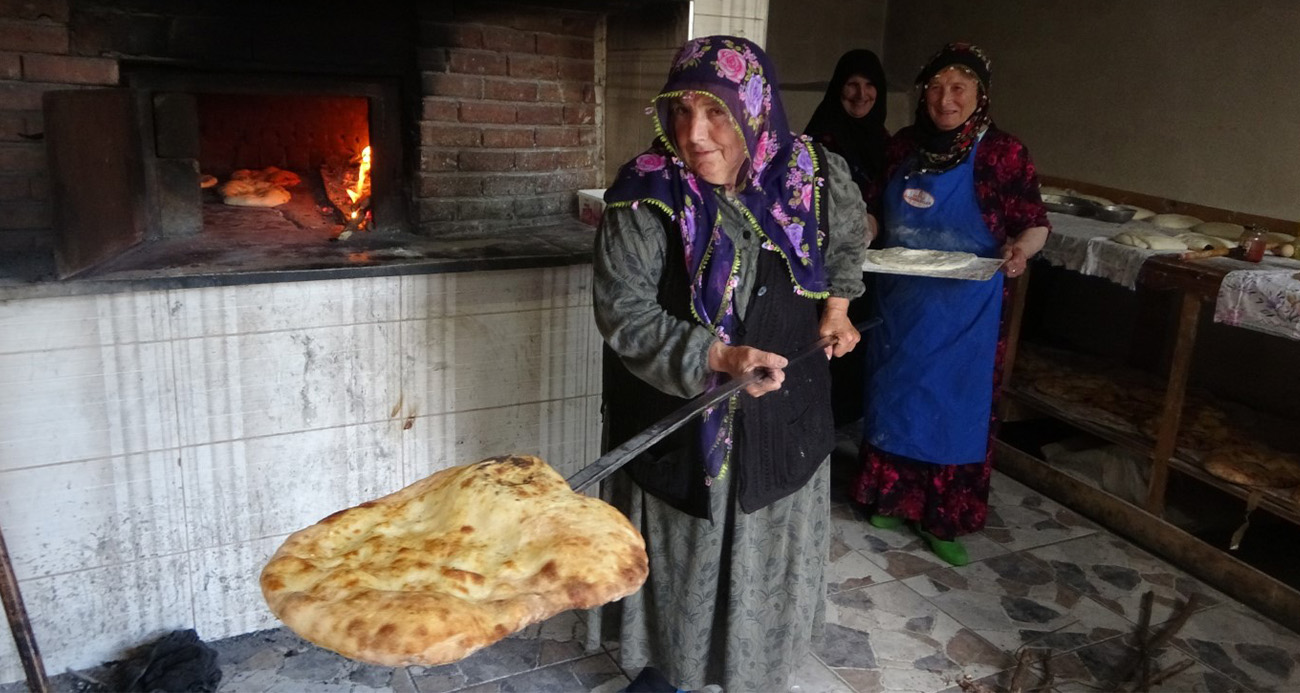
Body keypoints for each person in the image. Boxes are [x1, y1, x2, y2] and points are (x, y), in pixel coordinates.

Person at [593, 35, 867, 691]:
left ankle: (751, 671)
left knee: (764, 555)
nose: (695, 134)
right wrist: (717, 355)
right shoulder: (645, 193)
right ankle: (668, 673)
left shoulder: (816, 176)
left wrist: (836, 308)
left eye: (716, 111)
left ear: (756, 107)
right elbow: (623, 313)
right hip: (680, 424)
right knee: (679, 560)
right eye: (680, 111)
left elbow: (850, 240)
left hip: (784, 421)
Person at [852, 43, 1050, 566]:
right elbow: (875, 212)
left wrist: (1019, 251)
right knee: (897, 395)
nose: (945, 99)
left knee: (952, 408)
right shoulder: (901, 148)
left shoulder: (1004, 153)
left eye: (959, 87)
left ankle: (943, 517)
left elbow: (1034, 223)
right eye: (936, 87)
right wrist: (860, 233)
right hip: (902, 299)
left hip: (970, 307)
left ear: (980, 94)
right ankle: (891, 499)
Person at [804, 49, 890, 427]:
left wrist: (877, 223)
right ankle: (819, 430)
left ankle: (846, 426)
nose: (861, 94)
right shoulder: (817, 141)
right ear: (838, 89)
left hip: (872, 269)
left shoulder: (887, 144)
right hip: (825, 270)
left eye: (870, 85)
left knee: (858, 350)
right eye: (852, 85)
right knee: (824, 350)